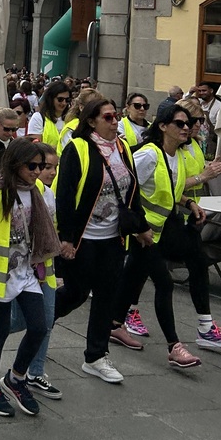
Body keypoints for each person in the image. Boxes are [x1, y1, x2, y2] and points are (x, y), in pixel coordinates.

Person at [112, 102, 221, 365]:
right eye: (180, 123)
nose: (188, 127)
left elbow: (170, 190)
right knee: (163, 283)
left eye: (190, 123)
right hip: (144, 232)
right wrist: (137, 226)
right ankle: (174, 346)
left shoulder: (175, 154)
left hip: (158, 230)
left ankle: (114, 324)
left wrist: (189, 203)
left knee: (133, 277)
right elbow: (126, 190)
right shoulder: (149, 155)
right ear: (163, 126)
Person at [52, 97, 145, 384]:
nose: (115, 121)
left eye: (116, 116)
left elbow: (132, 190)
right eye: (108, 117)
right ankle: (38, 319)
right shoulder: (77, 148)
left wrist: (140, 226)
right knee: (76, 293)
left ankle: (96, 356)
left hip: (113, 238)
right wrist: (66, 238)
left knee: (107, 295)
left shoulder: (123, 148)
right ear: (92, 121)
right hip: (83, 238)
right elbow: (64, 195)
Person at [0, 139, 61, 417]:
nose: (38, 171)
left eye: (41, 166)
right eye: (32, 166)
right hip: (1, 273)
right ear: (16, 164)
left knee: (39, 326)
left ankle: (16, 377)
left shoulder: (39, 192)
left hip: (27, 272)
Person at [27, 81, 70, 147]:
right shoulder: (38, 118)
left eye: (67, 100)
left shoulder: (72, 119)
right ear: (51, 99)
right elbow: (35, 148)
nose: (64, 103)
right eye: (60, 99)